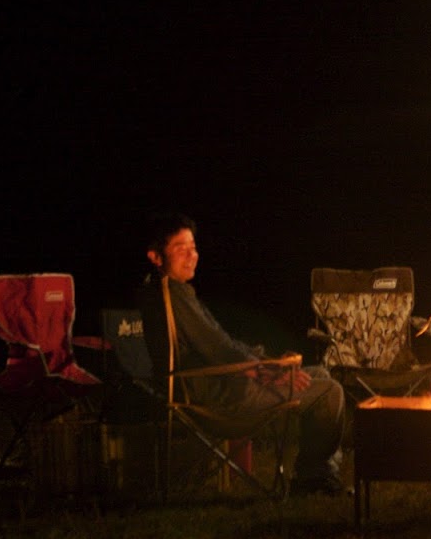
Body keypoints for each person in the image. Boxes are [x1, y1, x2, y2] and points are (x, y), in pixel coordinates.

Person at [137, 212, 346, 497]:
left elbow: (220, 343)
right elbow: (219, 349)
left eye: (193, 247)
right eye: (180, 248)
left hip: (222, 384)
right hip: (220, 397)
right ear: (156, 257)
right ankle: (314, 477)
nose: (192, 255)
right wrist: (268, 372)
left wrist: (268, 362)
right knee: (328, 392)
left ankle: (317, 472)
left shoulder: (166, 292)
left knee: (320, 374)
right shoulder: (171, 295)